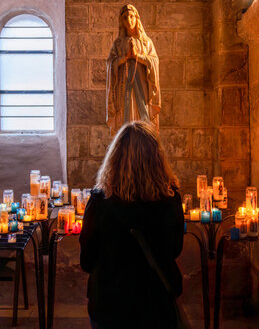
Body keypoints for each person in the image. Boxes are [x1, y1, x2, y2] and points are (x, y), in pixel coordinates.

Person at [79, 121, 184, 328]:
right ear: (157, 159)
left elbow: (87, 260)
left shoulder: (100, 202)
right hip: (155, 305)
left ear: (114, 158)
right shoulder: (170, 199)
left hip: (110, 304)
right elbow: (175, 249)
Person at [105, 4, 160, 136]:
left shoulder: (146, 42)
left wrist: (138, 57)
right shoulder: (118, 44)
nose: (129, 21)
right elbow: (110, 64)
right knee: (125, 123)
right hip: (123, 92)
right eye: (125, 18)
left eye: (131, 16)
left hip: (142, 91)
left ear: (137, 18)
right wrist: (124, 58)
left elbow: (154, 62)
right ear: (121, 21)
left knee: (144, 124)